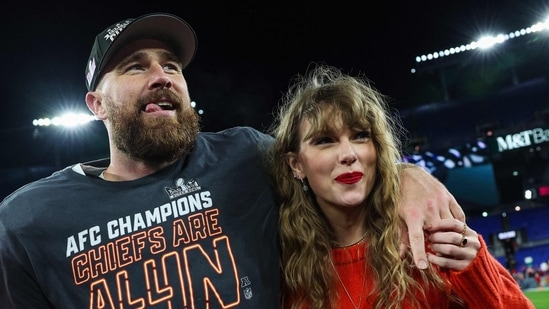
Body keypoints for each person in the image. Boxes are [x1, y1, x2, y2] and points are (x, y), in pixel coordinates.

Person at [0, 13, 463, 308]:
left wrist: (407, 174)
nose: (161, 75)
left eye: (172, 66)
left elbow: (332, 162)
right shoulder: (28, 220)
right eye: (135, 66)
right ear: (95, 104)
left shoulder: (245, 155)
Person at [269, 64, 535, 309]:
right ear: (296, 165)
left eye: (360, 136)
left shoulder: (430, 239)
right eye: (325, 140)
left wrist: (476, 273)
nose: (348, 154)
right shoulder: (281, 267)